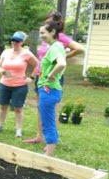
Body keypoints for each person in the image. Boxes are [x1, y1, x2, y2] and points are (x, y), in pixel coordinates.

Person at [24, 12, 84, 144]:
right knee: (41, 107)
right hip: (41, 76)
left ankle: (51, 139)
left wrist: (61, 58)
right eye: (45, 22)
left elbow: (80, 49)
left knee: (49, 108)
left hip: (51, 78)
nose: (45, 24)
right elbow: (42, 59)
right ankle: (39, 136)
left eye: (48, 22)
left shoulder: (60, 37)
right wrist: (33, 76)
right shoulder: (46, 38)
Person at [0, 31, 39, 138]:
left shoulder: (26, 53)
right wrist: (2, 71)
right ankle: (0, 125)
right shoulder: (6, 52)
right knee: (3, 106)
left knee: (18, 108)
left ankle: (18, 130)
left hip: (19, 86)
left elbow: (38, 65)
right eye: (13, 40)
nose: (14, 43)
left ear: (22, 42)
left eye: (17, 41)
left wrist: (31, 78)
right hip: (4, 84)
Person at [37, 21, 67, 156]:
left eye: (43, 33)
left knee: (47, 122)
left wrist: (50, 75)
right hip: (52, 90)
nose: (41, 36)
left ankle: (48, 155)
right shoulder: (58, 46)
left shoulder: (55, 47)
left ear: (53, 32)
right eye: (40, 33)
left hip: (49, 90)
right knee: (49, 120)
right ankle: (49, 147)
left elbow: (62, 64)